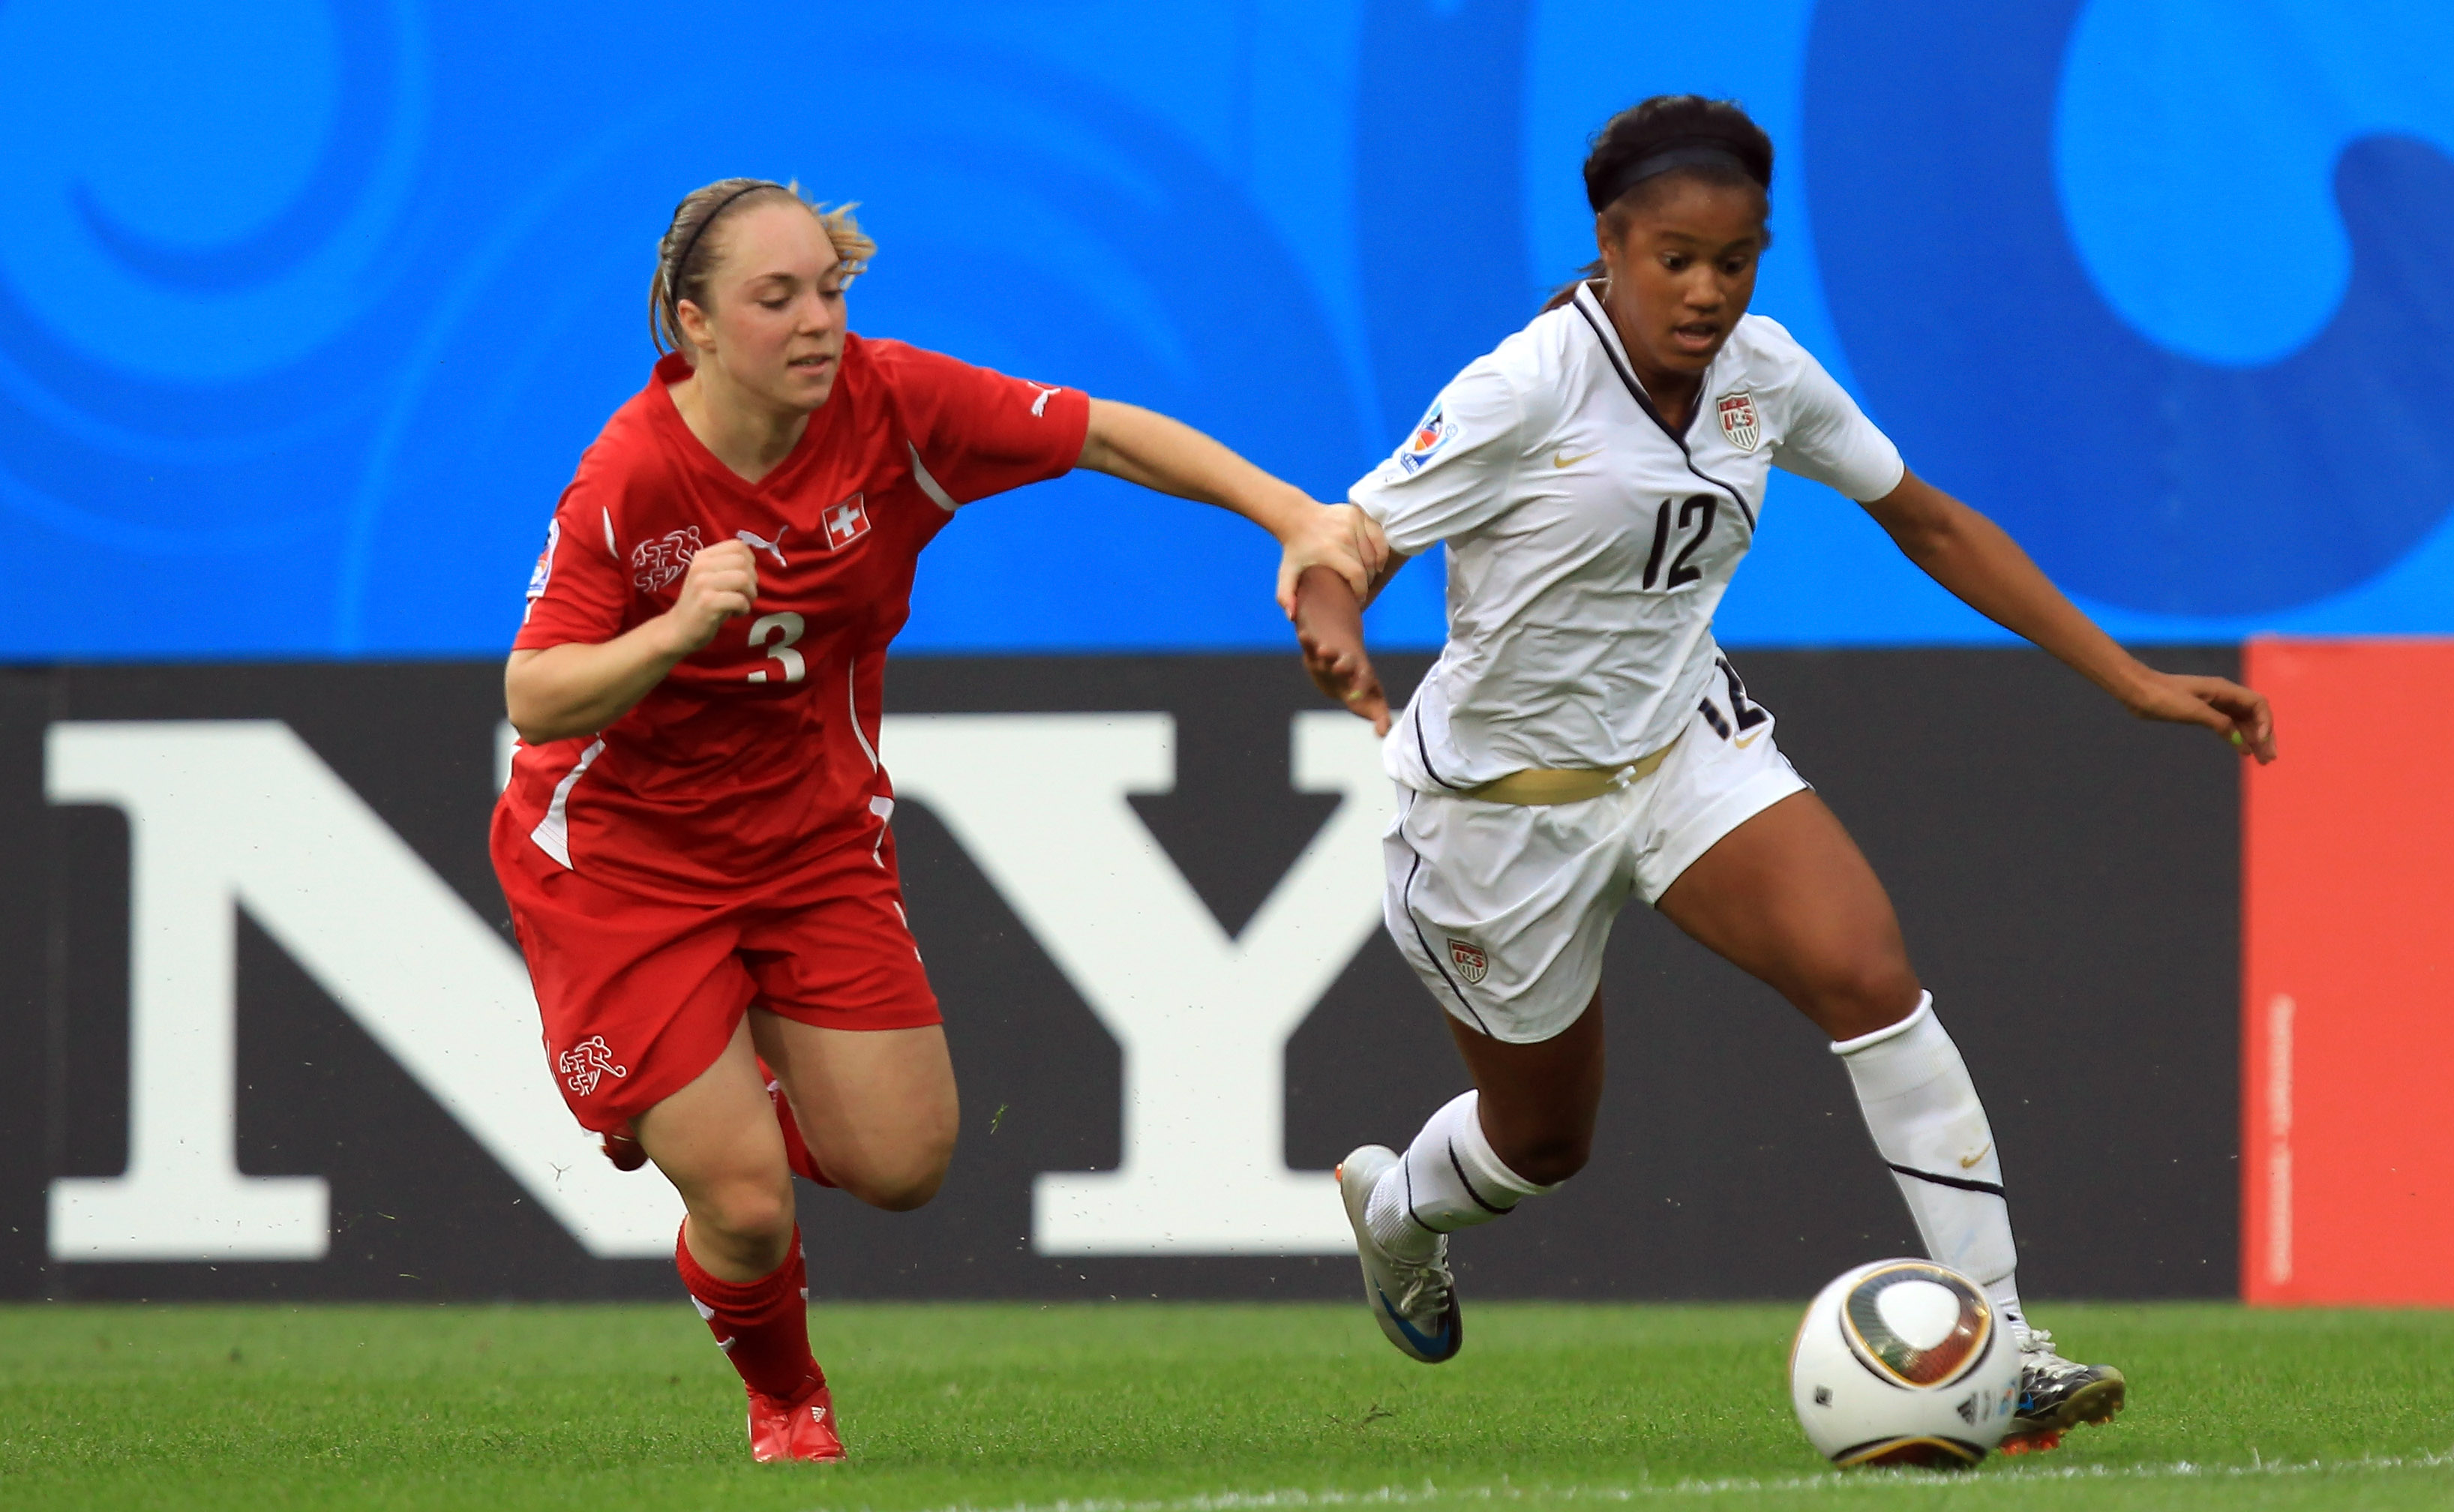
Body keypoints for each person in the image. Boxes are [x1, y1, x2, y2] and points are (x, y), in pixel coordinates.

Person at [1293, 96, 2275, 1454]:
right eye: (1675, 259)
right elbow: (1349, 538)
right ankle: (1400, 1211)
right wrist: (1335, 628)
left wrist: (2130, 678)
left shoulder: (1765, 374)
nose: (1706, 291)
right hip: (1497, 817)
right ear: (1611, 245)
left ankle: (2003, 1346)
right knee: (1543, 1144)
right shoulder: (1524, 387)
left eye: (1736, 258)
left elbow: (1922, 518)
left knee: (1869, 977)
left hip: (1683, 753)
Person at [491, 177, 1378, 1463]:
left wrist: (1292, 515)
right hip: (623, 861)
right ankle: (788, 1397)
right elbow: (534, 694)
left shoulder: (890, 405)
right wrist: (681, 623)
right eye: (776, 297)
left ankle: (696, 1095)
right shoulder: (634, 474)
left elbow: (1106, 435)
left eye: (832, 291)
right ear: (690, 324)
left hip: (809, 845)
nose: (817, 323)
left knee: (904, 1164)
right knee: (743, 1205)